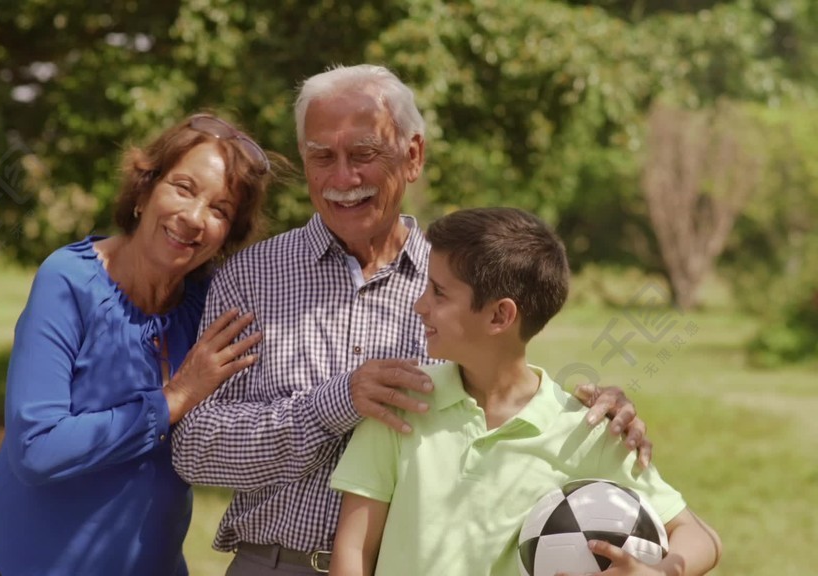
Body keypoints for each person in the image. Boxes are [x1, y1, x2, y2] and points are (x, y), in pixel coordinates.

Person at [171, 64, 652, 575]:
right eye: (322, 157)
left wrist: (595, 419)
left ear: (413, 155)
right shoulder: (251, 277)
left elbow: (503, 401)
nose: (342, 179)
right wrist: (332, 405)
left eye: (363, 154)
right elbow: (195, 450)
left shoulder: (458, 287)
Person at [328, 207, 722, 576]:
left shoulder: (584, 429)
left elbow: (699, 536)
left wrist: (663, 572)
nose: (420, 305)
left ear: (500, 315)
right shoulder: (399, 404)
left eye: (439, 293)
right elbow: (354, 549)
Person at [0, 113, 281, 576]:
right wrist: (174, 399)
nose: (194, 218)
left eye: (220, 210)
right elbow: (37, 447)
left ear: (226, 237)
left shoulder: (211, 305)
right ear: (144, 190)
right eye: (183, 187)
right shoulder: (70, 281)